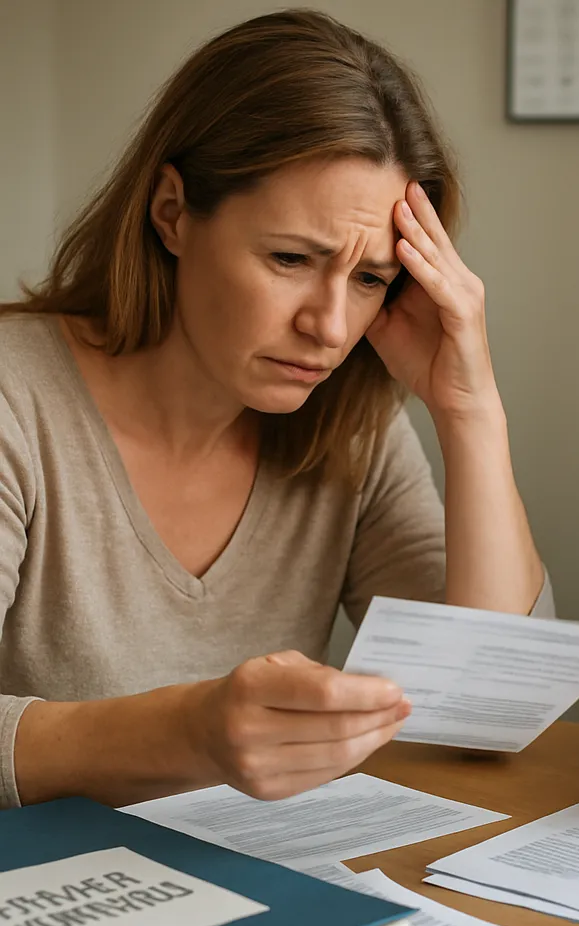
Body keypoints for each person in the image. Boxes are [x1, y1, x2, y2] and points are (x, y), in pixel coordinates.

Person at [0, 10, 551, 811]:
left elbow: (490, 709)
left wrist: (471, 411)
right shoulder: (16, 397)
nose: (329, 328)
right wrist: (190, 732)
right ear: (172, 213)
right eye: (291, 259)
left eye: (371, 279)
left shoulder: (351, 424)